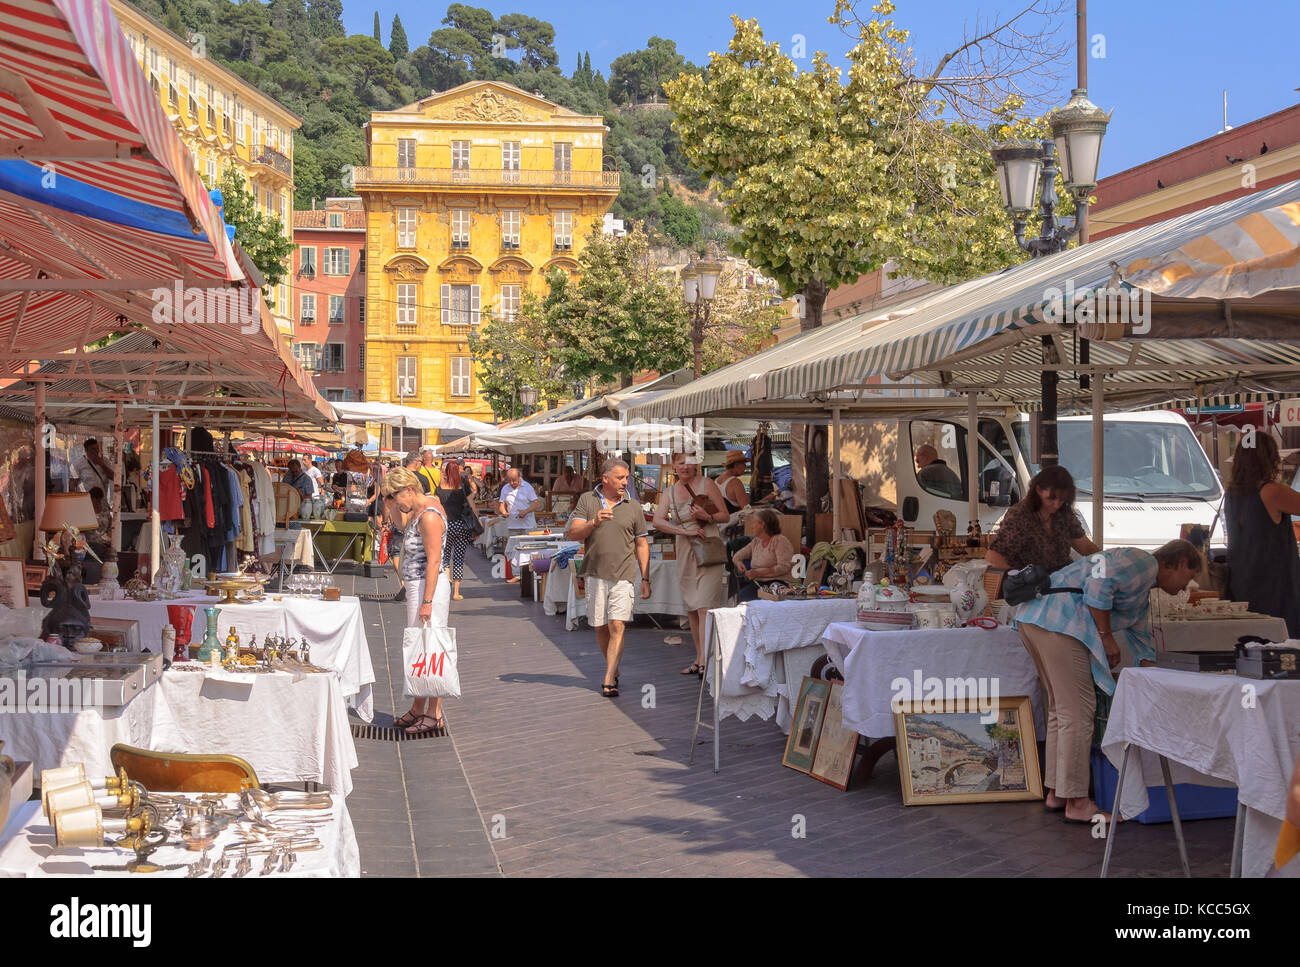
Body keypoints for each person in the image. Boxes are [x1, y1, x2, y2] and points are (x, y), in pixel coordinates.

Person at [1014, 539, 1201, 823]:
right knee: (1078, 713)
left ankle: (1057, 791)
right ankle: (1077, 802)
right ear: (1177, 563)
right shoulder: (1143, 563)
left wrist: (1159, 681)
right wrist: (1106, 636)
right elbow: (1098, 587)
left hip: (1037, 618)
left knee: (1061, 710)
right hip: (1059, 623)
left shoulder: (1142, 588)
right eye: (1189, 576)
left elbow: (1141, 639)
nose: (1187, 585)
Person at [566, 458, 651, 697]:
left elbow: (641, 543)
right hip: (595, 572)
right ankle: (614, 667)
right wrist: (594, 522)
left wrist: (645, 577)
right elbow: (573, 533)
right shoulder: (587, 500)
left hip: (624, 574)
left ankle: (609, 675)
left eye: (627, 478)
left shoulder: (633, 506)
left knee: (617, 624)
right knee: (600, 627)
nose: (625, 482)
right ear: (605, 478)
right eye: (620, 478)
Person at [383, 467, 451, 736]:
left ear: (409, 490)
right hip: (418, 585)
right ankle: (418, 707)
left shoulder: (430, 516)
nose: (396, 501)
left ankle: (434, 713)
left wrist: (427, 601)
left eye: (396, 495)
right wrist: (389, 504)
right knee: (420, 649)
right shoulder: (420, 508)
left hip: (428, 586)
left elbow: (434, 561)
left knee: (431, 648)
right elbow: (401, 525)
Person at [653, 451, 730, 677]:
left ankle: (706, 661)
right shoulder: (669, 492)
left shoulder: (708, 484)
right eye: (680, 462)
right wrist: (681, 530)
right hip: (685, 550)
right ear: (674, 465)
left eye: (689, 462)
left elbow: (725, 515)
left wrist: (708, 517)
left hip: (708, 548)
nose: (685, 466)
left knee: (705, 606)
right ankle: (699, 658)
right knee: (693, 610)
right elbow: (658, 520)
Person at [1225, 433, 1300, 636]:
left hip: (1242, 583)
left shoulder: (1231, 494)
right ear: (1270, 458)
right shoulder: (1271, 491)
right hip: (1275, 585)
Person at [985, 466, 1100, 574]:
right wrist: (1020, 578)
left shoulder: (1064, 513)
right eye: (1051, 498)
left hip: (1063, 580)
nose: (1056, 505)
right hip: (1032, 585)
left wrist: (1108, 560)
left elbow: (1085, 547)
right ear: (1038, 490)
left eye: (1062, 500)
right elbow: (994, 557)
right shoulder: (1020, 515)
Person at [437, 458, 477, 601]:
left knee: (445, 557)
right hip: (461, 525)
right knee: (459, 558)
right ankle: (456, 592)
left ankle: (447, 585)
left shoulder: (440, 487)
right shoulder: (463, 485)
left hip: (446, 526)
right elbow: (471, 502)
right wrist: (476, 522)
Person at [733, 509, 795, 601]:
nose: (752, 526)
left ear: (763, 525)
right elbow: (738, 556)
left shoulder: (780, 541)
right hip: (760, 583)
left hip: (778, 582)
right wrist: (738, 562)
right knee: (743, 596)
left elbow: (784, 567)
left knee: (753, 598)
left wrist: (758, 572)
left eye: (754, 523)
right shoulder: (756, 541)